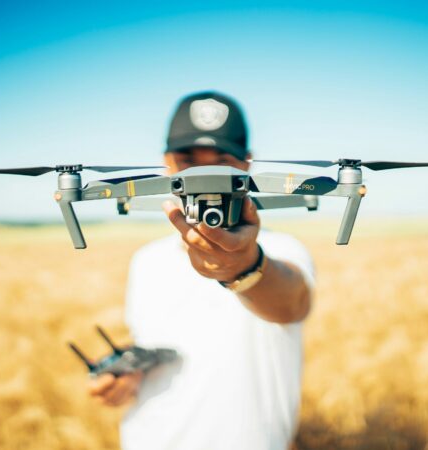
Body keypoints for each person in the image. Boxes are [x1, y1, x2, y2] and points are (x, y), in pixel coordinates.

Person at [88, 91, 315, 450]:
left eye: (220, 163)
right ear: (167, 163)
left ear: (246, 164)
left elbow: (290, 303)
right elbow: (154, 339)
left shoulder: (284, 250)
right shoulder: (146, 261)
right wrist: (125, 375)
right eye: (188, 163)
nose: (204, 177)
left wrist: (245, 267)